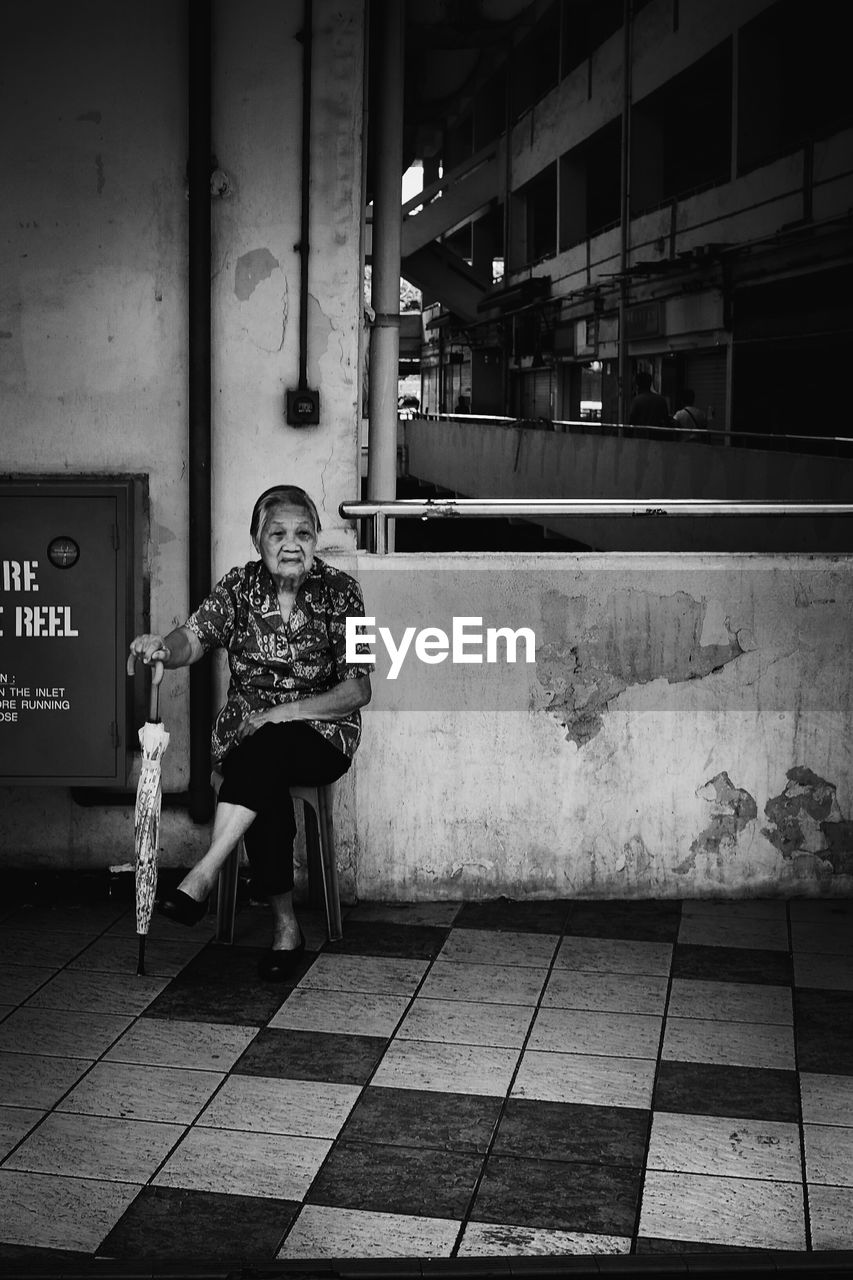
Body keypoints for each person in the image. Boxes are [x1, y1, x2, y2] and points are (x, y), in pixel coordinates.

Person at [128, 485, 372, 981]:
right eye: (278, 532)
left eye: (303, 533)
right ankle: (285, 930)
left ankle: (204, 874)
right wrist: (161, 650)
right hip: (247, 737)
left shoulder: (345, 591)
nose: (291, 543)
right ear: (258, 539)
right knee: (262, 774)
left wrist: (286, 712)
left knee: (266, 748)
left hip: (323, 736)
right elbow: (193, 639)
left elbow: (358, 689)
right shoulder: (236, 588)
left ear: (316, 538)